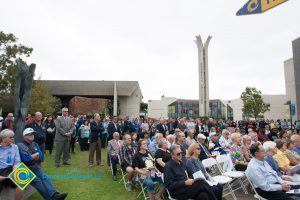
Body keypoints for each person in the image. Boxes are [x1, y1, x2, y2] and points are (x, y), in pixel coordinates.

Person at [18, 128, 68, 200]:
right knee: (38, 182)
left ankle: (55, 194)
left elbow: (40, 157)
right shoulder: (20, 145)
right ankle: (51, 198)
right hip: (24, 168)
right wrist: (35, 155)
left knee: (45, 177)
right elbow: (26, 159)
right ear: (24, 136)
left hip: (34, 166)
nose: (32, 135)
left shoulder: (35, 144)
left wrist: (33, 156)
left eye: (33, 134)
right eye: (29, 134)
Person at [0, 129, 23, 200]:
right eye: (10, 137)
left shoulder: (15, 147)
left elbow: (17, 160)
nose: (12, 138)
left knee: (21, 182)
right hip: (0, 170)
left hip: (10, 169)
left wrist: (15, 168)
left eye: (13, 137)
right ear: (3, 138)